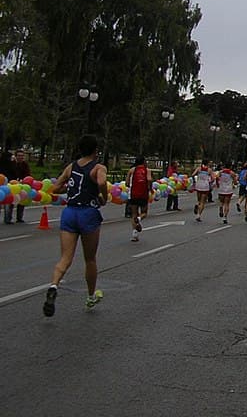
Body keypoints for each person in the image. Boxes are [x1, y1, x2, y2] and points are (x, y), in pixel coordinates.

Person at [42, 134, 109, 316]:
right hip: (88, 213)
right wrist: (103, 196)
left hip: (69, 213)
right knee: (90, 259)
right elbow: (102, 182)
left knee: (65, 258)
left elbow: (56, 188)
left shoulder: (71, 167)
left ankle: (53, 286)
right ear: (96, 151)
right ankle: (90, 296)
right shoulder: (98, 167)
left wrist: (70, 188)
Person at [125, 156, 151, 241]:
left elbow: (127, 183)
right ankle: (139, 219)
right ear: (143, 162)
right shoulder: (147, 170)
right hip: (143, 194)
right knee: (144, 213)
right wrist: (149, 188)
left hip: (133, 195)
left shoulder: (132, 170)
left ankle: (134, 235)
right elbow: (149, 179)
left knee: (134, 214)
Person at [3, 149, 31, 223]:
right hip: (12, 185)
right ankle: (8, 218)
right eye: (19, 156)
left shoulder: (25, 165)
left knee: (22, 201)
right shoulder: (11, 164)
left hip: (22, 185)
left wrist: (24, 181)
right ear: (15, 156)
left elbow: (28, 175)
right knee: (10, 201)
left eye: (22, 156)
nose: (20, 157)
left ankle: (19, 218)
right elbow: (7, 174)